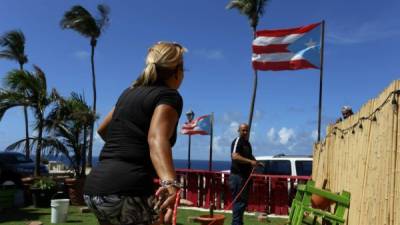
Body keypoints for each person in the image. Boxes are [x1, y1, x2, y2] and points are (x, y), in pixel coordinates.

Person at [83, 42, 186, 225]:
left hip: (95, 189)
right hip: (127, 190)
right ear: (177, 71)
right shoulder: (169, 96)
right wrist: (170, 184)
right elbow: (156, 138)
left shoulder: (128, 93)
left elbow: (102, 129)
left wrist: (129, 148)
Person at [229, 123, 257, 225]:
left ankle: (239, 223)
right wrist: (250, 162)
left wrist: (255, 161)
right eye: (243, 130)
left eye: (246, 130)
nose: (245, 132)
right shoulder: (238, 141)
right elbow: (235, 156)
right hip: (237, 177)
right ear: (238, 130)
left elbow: (249, 156)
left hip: (244, 178)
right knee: (238, 202)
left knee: (242, 203)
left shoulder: (247, 143)